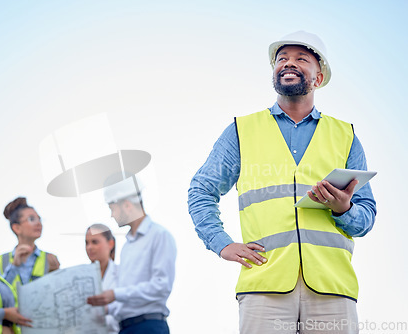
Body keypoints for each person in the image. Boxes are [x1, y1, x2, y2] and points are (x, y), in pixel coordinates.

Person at [188, 31, 377, 334]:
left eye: (301, 59)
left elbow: (366, 218)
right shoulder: (242, 131)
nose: (288, 64)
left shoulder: (346, 136)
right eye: (282, 59)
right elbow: (201, 190)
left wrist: (344, 209)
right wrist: (220, 243)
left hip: (332, 289)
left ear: (319, 77)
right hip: (265, 286)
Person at [87, 175, 177, 334]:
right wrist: (104, 307)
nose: (111, 215)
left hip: (148, 326)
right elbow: (126, 297)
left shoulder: (159, 235)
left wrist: (115, 294)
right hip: (126, 327)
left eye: (112, 208)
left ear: (127, 205)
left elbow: (161, 286)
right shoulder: (127, 246)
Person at [0, 197, 60, 289]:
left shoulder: (51, 259)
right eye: (32, 219)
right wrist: (14, 266)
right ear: (17, 228)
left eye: (39, 219)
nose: (39, 224)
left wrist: (56, 275)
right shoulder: (1, 261)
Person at [85, 223, 119, 334]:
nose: (89, 247)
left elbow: (125, 313)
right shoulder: (81, 278)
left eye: (94, 242)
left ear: (110, 244)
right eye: (87, 243)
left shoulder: (122, 274)